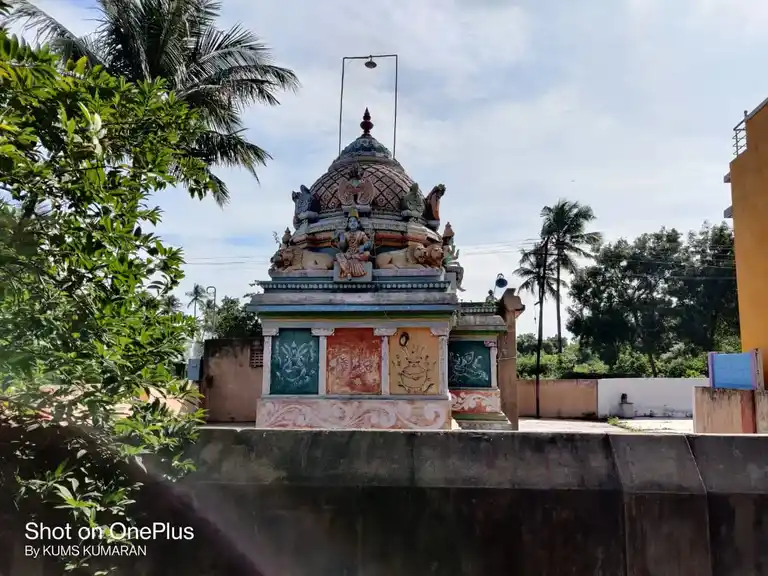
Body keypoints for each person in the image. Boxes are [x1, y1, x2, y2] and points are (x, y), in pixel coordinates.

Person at [334, 209, 371, 279]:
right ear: (348, 224)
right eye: (350, 221)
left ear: (358, 224)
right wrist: (341, 237)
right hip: (348, 253)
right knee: (338, 255)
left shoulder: (361, 233)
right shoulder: (345, 234)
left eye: (354, 221)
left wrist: (363, 247)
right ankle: (348, 272)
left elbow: (368, 243)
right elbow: (342, 247)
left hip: (358, 253)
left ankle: (351, 261)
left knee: (367, 254)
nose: (352, 223)